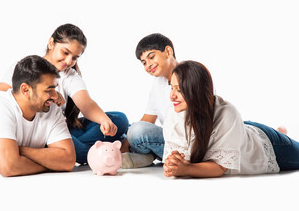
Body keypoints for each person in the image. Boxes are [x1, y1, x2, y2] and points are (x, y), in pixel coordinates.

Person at [0, 24, 129, 163]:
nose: (68, 61)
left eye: (74, 58)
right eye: (65, 53)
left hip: (61, 129)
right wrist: (46, 95)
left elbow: (86, 103)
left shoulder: (69, 75)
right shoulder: (27, 68)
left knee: (119, 120)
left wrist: (104, 121)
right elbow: (0, 98)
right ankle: (112, 149)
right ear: (51, 42)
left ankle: (104, 147)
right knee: (77, 151)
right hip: (39, 133)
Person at [163, 60, 299, 178]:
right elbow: (177, 159)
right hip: (237, 132)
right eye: (172, 88)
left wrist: (185, 169)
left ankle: (279, 134)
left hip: (266, 144)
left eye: (179, 90)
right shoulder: (172, 113)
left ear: (196, 91)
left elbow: (220, 167)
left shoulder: (228, 113)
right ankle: (279, 131)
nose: (172, 96)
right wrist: (172, 164)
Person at [121, 33, 178, 168]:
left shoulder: (190, 74)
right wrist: (124, 144)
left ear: (168, 52)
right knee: (127, 129)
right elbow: (149, 118)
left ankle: (147, 156)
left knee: (137, 131)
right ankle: (145, 156)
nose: (148, 65)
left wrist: (132, 135)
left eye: (151, 57)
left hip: (186, 142)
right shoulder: (158, 83)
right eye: (144, 62)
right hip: (168, 139)